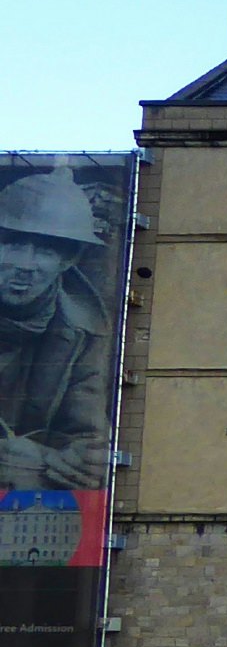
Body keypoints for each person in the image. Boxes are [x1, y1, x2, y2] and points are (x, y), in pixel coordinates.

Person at [0, 167, 113, 493]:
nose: (26, 265)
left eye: (46, 250)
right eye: (14, 245)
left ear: (67, 260)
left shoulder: (84, 332)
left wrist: (81, 460)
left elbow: (86, 435)